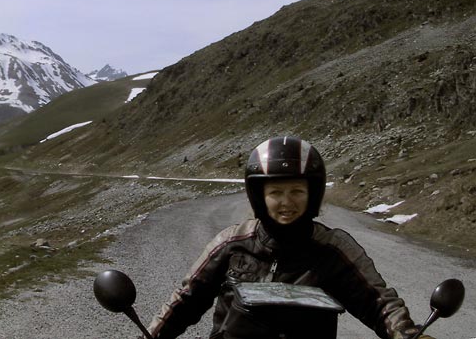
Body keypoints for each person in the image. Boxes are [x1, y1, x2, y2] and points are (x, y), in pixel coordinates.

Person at [147, 136, 428, 339]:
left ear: (312, 194)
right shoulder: (232, 244)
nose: (286, 202)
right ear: (260, 196)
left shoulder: (334, 250)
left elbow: (378, 302)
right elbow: (186, 299)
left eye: (296, 191)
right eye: (276, 193)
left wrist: (405, 332)